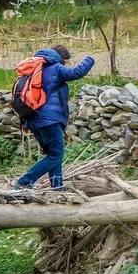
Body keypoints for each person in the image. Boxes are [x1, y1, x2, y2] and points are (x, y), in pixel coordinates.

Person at [14, 45, 96, 190]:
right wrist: (90, 58)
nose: (66, 64)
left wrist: (25, 121)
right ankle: (25, 181)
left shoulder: (35, 70)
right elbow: (77, 72)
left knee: (53, 154)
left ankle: (57, 187)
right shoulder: (56, 68)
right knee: (56, 155)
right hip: (50, 120)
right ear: (61, 58)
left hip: (35, 120)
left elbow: (25, 97)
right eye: (66, 61)